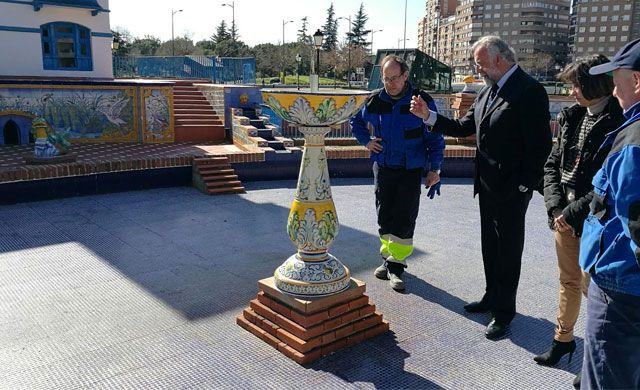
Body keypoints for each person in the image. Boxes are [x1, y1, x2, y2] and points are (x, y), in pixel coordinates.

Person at [410, 35, 552, 339]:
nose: (479, 69)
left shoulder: (530, 91)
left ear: (498, 59)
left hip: (513, 189)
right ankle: (491, 297)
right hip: (486, 185)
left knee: (509, 250)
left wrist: (525, 186)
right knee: (491, 246)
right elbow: (463, 128)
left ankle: (504, 312)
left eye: (481, 63)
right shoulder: (489, 91)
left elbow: (540, 146)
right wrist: (428, 116)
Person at [536, 55, 625, 370]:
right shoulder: (571, 116)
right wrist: (555, 206)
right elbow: (552, 164)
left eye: (576, 84)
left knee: (596, 289)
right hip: (564, 217)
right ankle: (563, 341)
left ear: (595, 83)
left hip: (595, 222)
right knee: (569, 282)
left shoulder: (619, 121)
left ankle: (602, 352)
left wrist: (571, 213)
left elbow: (609, 183)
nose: (571, 91)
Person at [350, 55, 445, 292]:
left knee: (404, 216)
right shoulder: (373, 100)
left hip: (410, 169)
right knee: (384, 214)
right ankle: (388, 257)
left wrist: (435, 169)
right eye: (385, 78)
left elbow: (435, 136)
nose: (389, 83)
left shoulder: (421, 102)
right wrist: (367, 141)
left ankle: (397, 266)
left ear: (405, 76)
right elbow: (356, 122)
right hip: (383, 167)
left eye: (394, 78)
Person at [578, 38, 640, 390]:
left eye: (617, 80)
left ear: (637, 82)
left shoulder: (634, 141)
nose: (614, 91)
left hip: (621, 291)